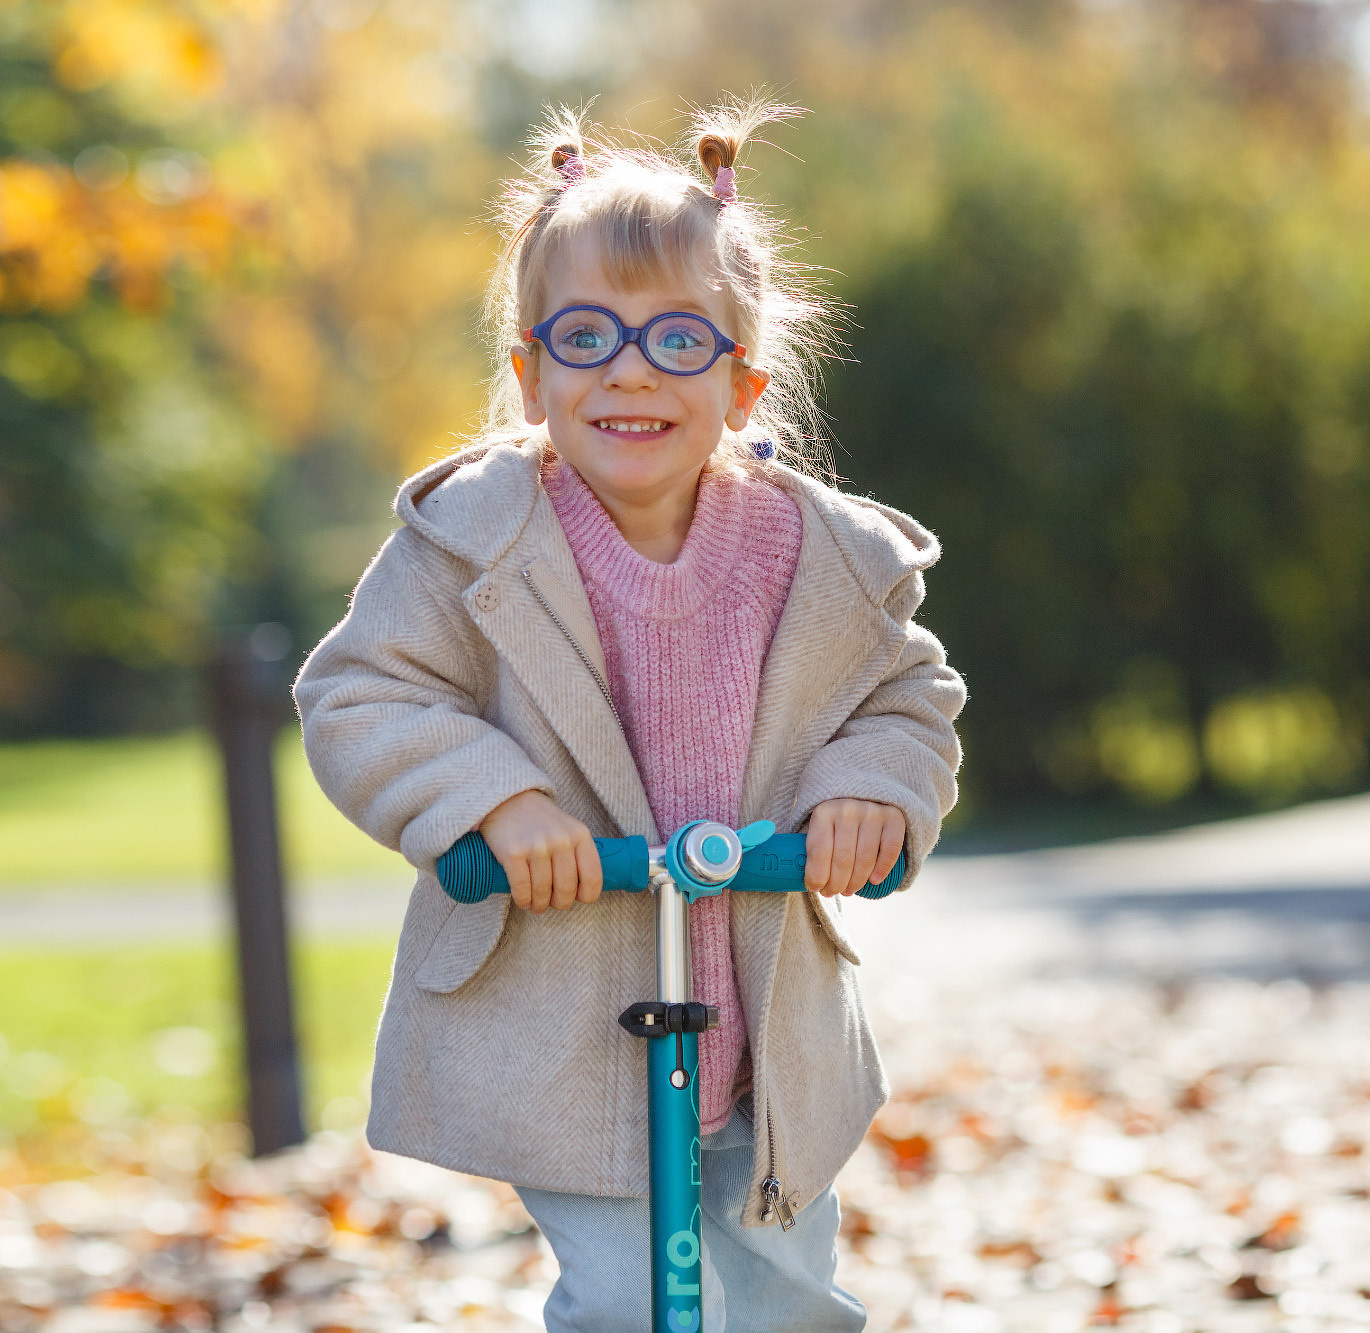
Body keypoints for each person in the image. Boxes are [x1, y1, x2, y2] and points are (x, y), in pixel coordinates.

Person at [293, 98, 965, 1333]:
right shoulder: (472, 537)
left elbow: (903, 693)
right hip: (567, 1006)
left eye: (675, 340)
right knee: (620, 1299)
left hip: (761, 1002)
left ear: (744, 376)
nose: (629, 371)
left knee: (781, 1295)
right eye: (586, 336)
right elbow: (361, 691)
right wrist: (494, 798)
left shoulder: (814, 551)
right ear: (529, 371)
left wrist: (871, 787)